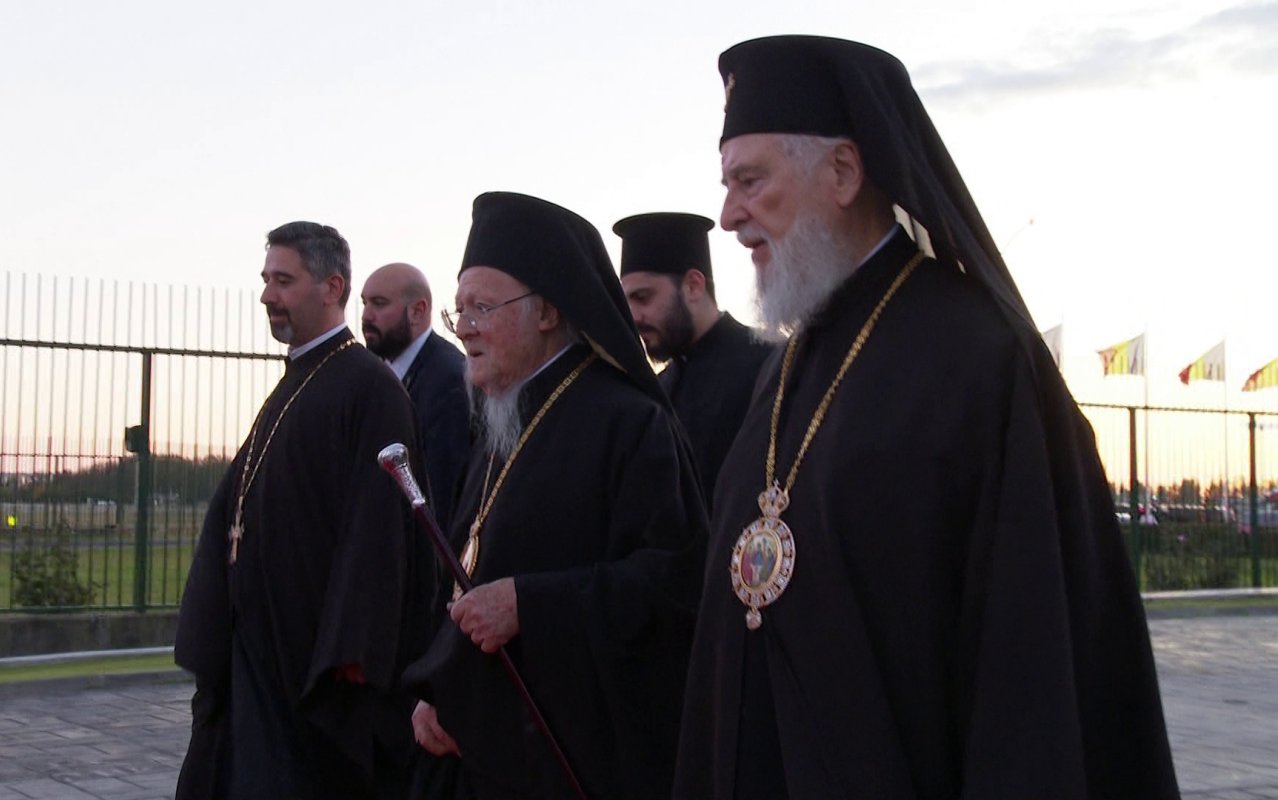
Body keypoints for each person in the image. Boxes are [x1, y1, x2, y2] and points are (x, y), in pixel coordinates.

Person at [674, 36, 1179, 799]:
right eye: (726, 184)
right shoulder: (783, 367)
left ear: (844, 171)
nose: (728, 215)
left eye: (749, 181)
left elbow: (1027, 664)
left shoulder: (979, 358)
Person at [404, 191, 708, 799]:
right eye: (458, 309)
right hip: (472, 758)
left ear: (547, 311)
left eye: (482, 307)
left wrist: (531, 605)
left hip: (567, 765)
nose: (463, 327)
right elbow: (466, 568)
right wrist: (433, 689)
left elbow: (677, 583)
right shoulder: (499, 421)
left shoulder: (628, 423)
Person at [174, 221, 433, 799]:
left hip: (315, 673)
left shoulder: (370, 389)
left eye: (284, 280)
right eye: (266, 279)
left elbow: (380, 535)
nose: (268, 295)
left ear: (332, 286)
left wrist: (350, 657)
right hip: (258, 655)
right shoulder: (296, 383)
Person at [614, 211, 774, 503]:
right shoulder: (655, 391)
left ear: (693, 286)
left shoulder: (768, 364)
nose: (634, 317)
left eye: (643, 297)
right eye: (627, 303)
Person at [362, 262, 473, 530]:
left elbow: (439, 499)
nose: (366, 315)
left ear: (418, 311)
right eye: (364, 303)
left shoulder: (448, 380)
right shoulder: (384, 374)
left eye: (379, 303)